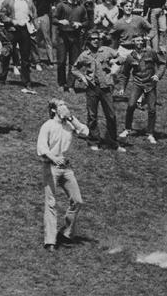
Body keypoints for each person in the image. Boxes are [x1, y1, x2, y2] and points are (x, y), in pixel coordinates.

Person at [36, 97, 90, 252]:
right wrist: (54, 159)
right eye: (61, 106)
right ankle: (50, 241)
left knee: (77, 200)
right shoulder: (47, 126)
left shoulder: (69, 124)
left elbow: (85, 132)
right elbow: (42, 148)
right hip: (50, 167)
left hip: (66, 168)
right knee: (51, 203)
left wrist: (71, 117)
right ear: (54, 110)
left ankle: (66, 233)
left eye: (65, 105)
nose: (64, 108)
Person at [72, 31, 124, 151]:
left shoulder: (106, 50)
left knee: (111, 115)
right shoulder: (84, 55)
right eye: (93, 39)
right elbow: (74, 69)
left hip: (106, 88)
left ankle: (113, 142)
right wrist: (83, 78)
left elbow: (121, 57)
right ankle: (93, 141)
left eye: (97, 39)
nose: (96, 41)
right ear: (89, 40)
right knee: (92, 115)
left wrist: (115, 62)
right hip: (92, 89)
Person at [119, 34, 162, 144]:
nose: (139, 43)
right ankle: (127, 129)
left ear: (143, 42)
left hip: (150, 84)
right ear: (133, 42)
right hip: (137, 84)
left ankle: (150, 133)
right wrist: (122, 87)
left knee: (152, 109)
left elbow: (161, 63)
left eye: (140, 41)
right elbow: (125, 74)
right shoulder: (130, 57)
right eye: (136, 41)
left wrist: (158, 75)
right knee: (131, 105)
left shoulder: (150, 52)